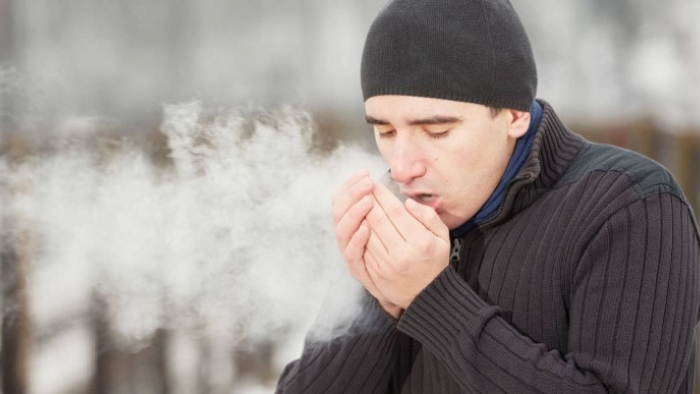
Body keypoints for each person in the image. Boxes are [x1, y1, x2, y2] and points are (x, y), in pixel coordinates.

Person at [276, 0, 700, 392]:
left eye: (437, 130)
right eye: (385, 131)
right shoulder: (396, 221)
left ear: (514, 113)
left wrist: (431, 298)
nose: (402, 166)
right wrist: (380, 300)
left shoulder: (631, 207)